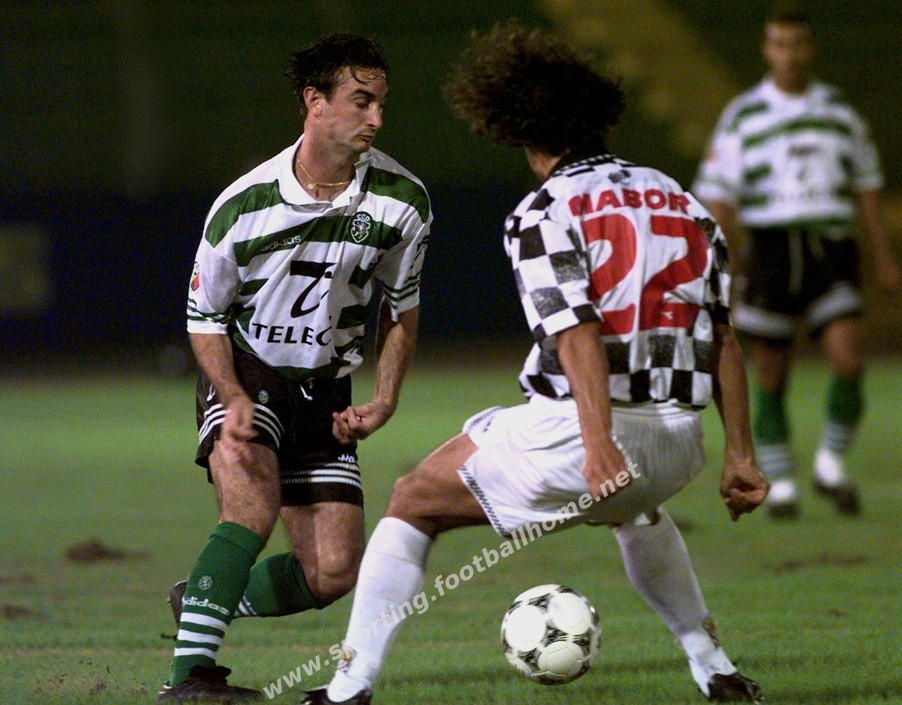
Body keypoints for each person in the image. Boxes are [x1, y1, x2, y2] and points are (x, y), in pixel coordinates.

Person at [300, 21, 768, 705]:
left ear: (517, 125)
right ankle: (713, 665)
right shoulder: (683, 202)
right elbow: (723, 337)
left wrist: (598, 442)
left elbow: (576, 332)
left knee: (413, 501)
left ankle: (349, 686)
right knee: (636, 512)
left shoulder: (545, 210)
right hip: (678, 444)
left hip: (580, 439)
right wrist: (741, 456)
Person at [156, 33, 431, 703]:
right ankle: (189, 678)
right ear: (315, 101)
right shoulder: (244, 204)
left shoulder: (403, 201)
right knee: (250, 508)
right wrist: (230, 395)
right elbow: (204, 315)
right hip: (249, 372)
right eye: (361, 102)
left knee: (334, 571)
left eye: (382, 104)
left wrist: (385, 398)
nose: (376, 118)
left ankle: (206, 597)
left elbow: (401, 308)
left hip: (326, 388)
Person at [692, 8, 900, 518]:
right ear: (768, 50)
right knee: (770, 371)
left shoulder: (839, 111)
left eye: (798, 43)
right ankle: (782, 483)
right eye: (780, 44)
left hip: (830, 246)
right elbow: (719, 197)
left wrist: (885, 259)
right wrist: (723, 265)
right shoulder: (744, 115)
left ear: (811, 48)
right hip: (770, 250)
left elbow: (866, 188)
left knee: (849, 357)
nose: (789, 54)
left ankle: (830, 463)